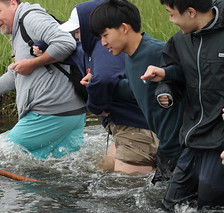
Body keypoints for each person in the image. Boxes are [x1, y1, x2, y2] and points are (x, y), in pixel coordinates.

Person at [35, 2, 159, 175]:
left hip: (136, 131)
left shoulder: (105, 50)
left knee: (125, 191)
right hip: (124, 129)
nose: (77, 37)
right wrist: (44, 45)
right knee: (104, 170)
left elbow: (104, 79)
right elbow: (72, 50)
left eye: (79, 32)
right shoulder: (92, 50)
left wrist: (97, 108)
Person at [88, 0, 185, 185]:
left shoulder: (158, 51)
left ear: (124, 28)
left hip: (181, 148)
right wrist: (96, 83)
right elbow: (136, 89)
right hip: (166, 147)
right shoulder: (130, 58)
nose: (103, 43)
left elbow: (197, 79)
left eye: (105, 35)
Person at [141, 0, 224, 210]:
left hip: (219, 141)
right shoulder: (179, 41)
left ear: (191, 12)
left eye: (171, 14)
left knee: (209, 205)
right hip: (193, 137)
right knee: (170, 206)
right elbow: (173, 75)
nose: (170, 20)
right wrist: (165, 88)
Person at [0, 0, 86, 159]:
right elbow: (17, 73)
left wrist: (33, 63)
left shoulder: (31, 18)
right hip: (72, 113)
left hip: (51, 113)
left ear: (13, 3)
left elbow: (66, 42)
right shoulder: (19, 29)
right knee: (62, 171)